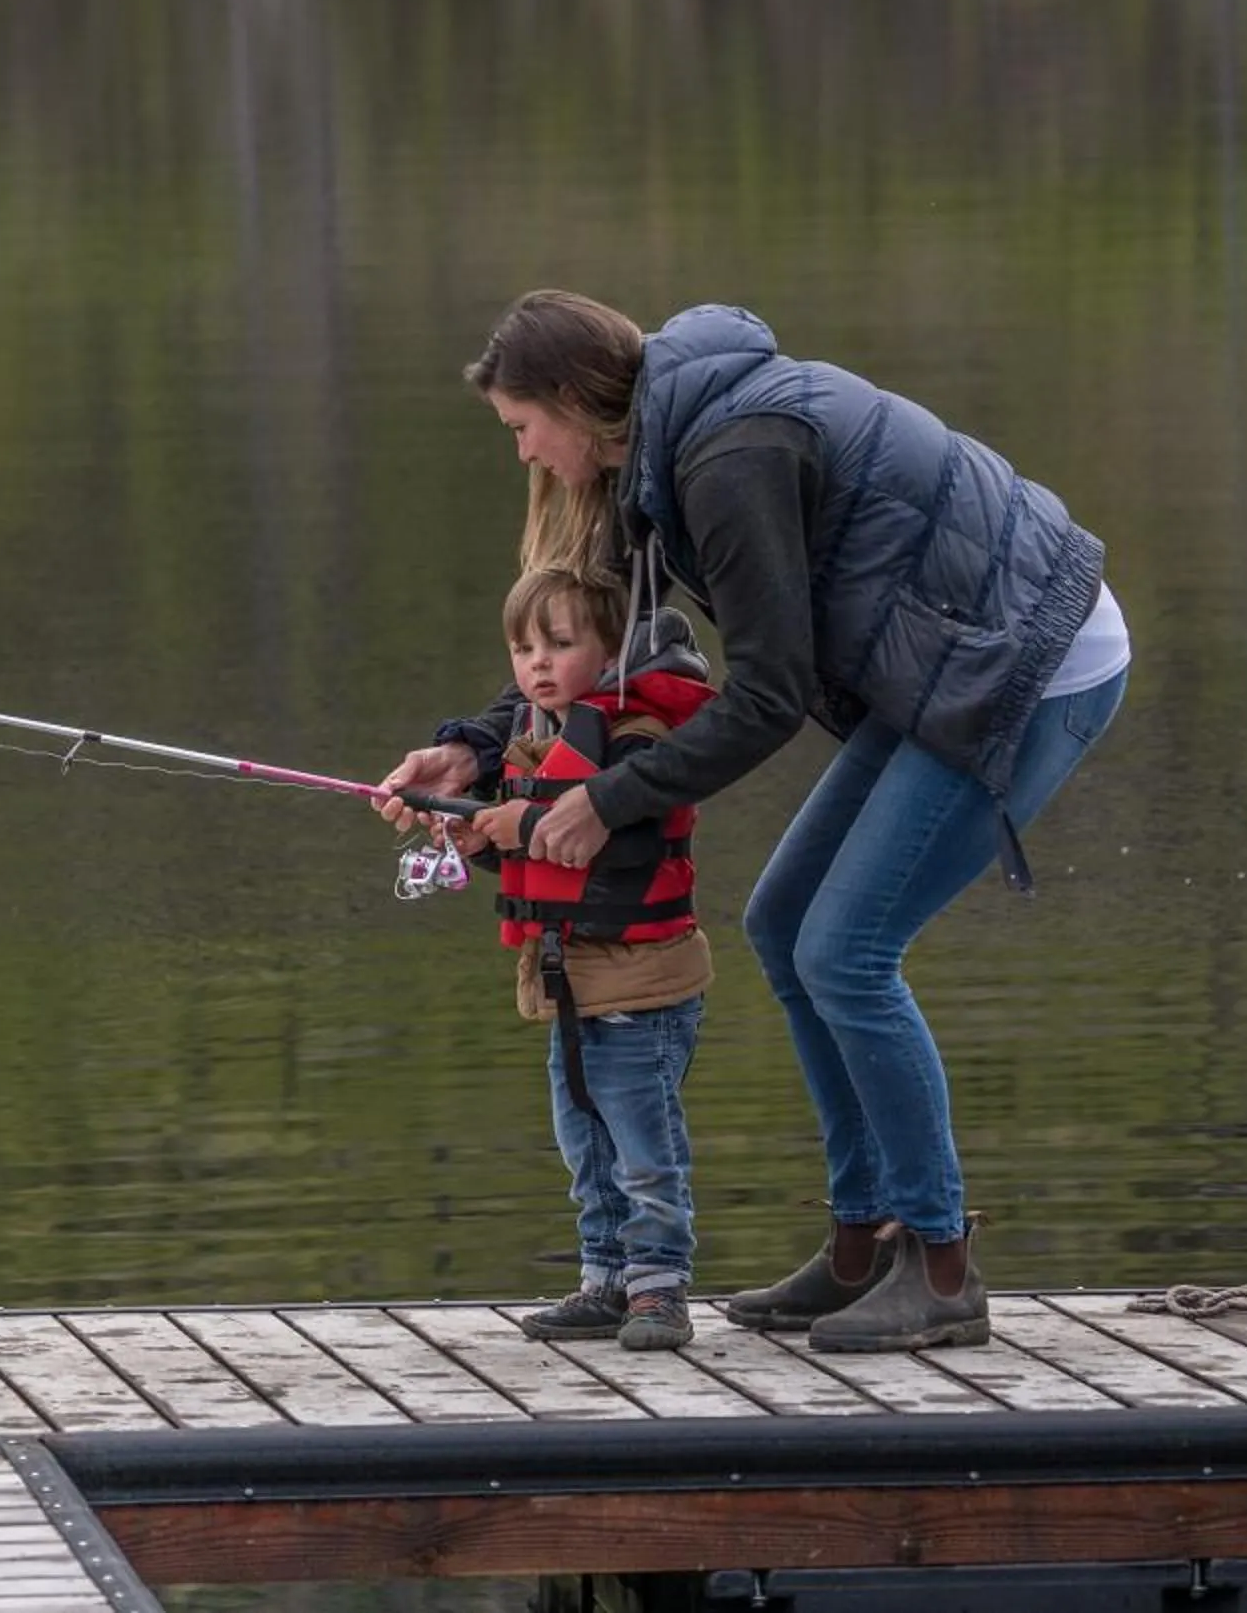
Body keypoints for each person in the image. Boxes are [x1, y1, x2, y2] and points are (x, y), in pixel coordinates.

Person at [380, 293, 1132, 1354]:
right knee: (785, 925)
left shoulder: (729, 458)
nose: (525, 455)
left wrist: (609, 799)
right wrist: (475, 741)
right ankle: (862, 1239)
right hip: (948, 660)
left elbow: (770, 695)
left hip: (1027, 658)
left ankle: (943, 1260)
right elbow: (615, 653)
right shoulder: (663, 453)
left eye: (521, 429)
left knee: (848, 950)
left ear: (570, 403)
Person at [449, 565, 720, 1352]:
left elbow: (625, 843)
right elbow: (547, 858)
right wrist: (484, 836)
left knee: (644, 1146)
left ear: (608, 653)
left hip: (642, 984)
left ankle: (660, 1287)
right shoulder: (538, 741)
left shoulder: (638, 736)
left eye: (559, 645)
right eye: (522, 647)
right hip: (573, 984)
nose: (537, 663)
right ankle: (604, 1277)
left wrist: (521, 826)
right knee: (585, 1145)